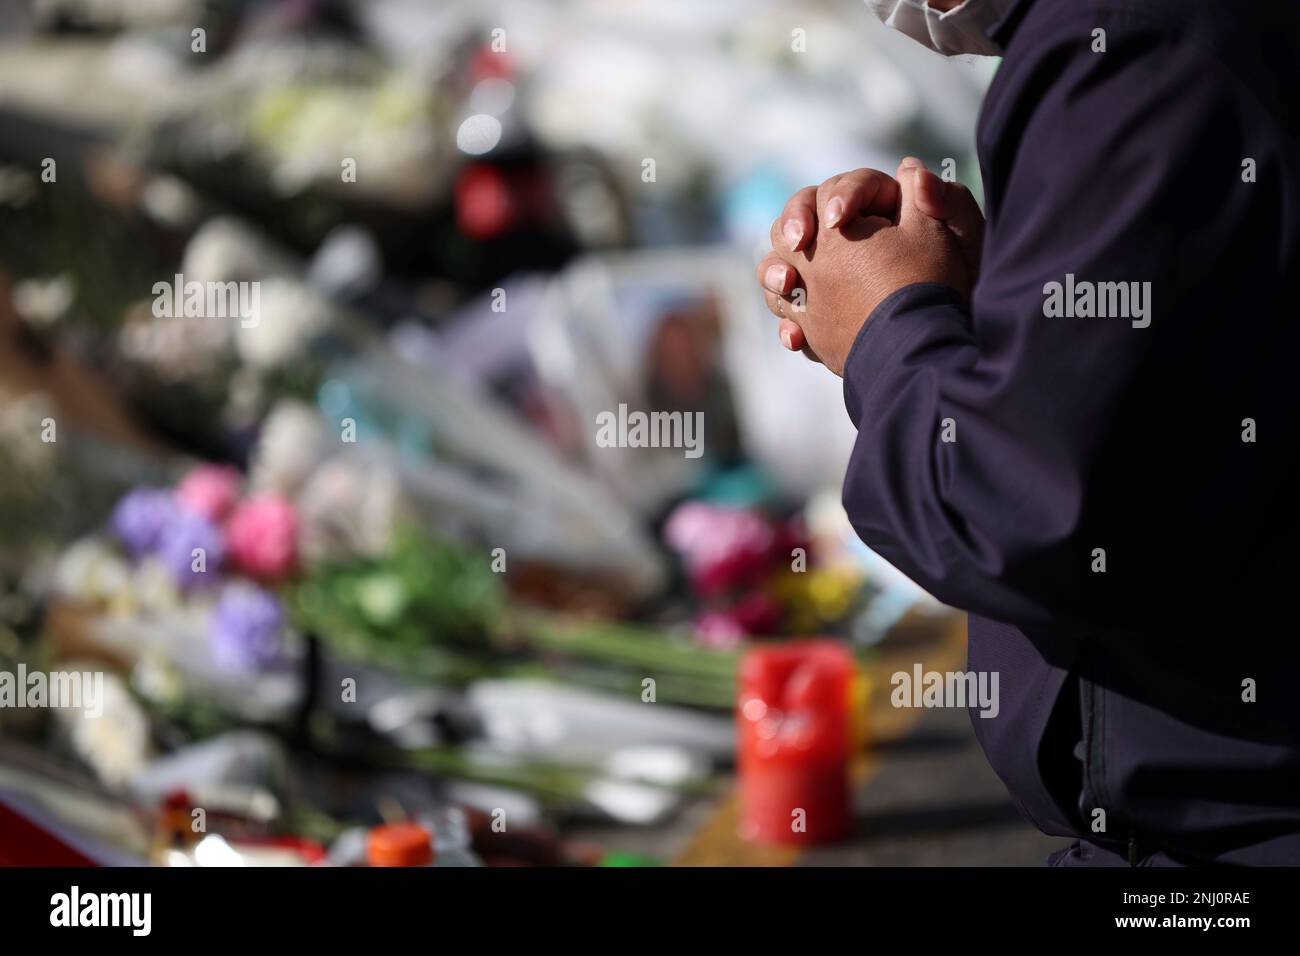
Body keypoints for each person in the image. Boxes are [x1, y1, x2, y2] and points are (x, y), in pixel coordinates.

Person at [757, 0, 1300, 865]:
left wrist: (892, 329)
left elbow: (1029, 509)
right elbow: (1178, 379)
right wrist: (1003, 311)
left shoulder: (1124, 45)